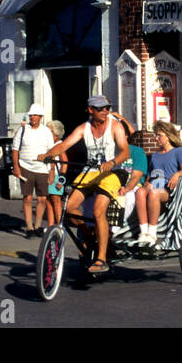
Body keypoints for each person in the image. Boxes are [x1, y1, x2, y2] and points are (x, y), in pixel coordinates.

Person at [38, 94, 132, 274]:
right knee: (69, 207)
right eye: (100, 108)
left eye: (107, 108)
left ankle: (101, 258)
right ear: (90, 110)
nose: (105, 111)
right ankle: (88, 235)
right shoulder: (83, 128)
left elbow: (125, 152)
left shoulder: (115, 126)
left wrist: (112, 162)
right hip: (90, 172)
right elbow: (63, 146)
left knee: (98, 210)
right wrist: (48, 154)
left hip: (112, 173)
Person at [136, 121, 182, 247]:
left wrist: (176, 175)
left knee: (154, 192)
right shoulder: (155, 155)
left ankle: (152, 233)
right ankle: (143, 233)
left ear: (168, 136)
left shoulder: (178, 151)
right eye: (155, 135)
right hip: (155, 185)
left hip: (168, 190)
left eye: (159, 135)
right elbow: (150, 175)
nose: (156, 138)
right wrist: (147, 183)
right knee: (140, 192)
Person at [11, 104, 56, 237]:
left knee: (42, 198)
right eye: (31, 115)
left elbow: (51, 151)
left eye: (36, 115)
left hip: (42, 168)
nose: (33, 118)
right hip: (25, 166)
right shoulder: (23, 129)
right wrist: (16, 167)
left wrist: (52, 170)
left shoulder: (46, 131)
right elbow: (15, 149)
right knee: (28, 197)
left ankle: (37, 226)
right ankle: (29, 227)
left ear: (41, 117)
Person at [44, 120, 66, 227]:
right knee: (48, 201)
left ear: (55, 132)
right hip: (48, 175)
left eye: (49, 131)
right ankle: (51, 227)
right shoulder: (50, 144)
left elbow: (65, 164)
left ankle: (59, 226)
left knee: (56, 202)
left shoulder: (59, 145)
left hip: (56, 176)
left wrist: (61, 180)